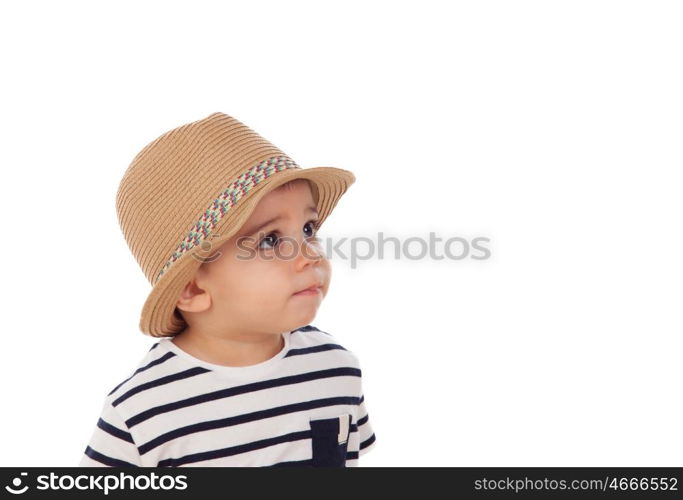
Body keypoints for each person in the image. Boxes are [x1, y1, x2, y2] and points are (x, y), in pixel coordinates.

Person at [78, 112, 377, 467]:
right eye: (269, 239)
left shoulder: (335, 369)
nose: (308, 254)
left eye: (309, 229)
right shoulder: (143, 413)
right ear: (191, 288)